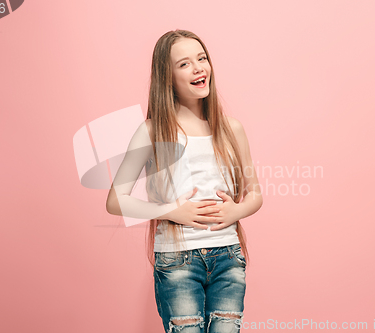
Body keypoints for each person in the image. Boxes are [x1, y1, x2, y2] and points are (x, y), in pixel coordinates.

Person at [106, 29, 263, 333]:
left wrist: (236, 211)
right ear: (168, 78)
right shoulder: (152, 131)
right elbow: (115, 201)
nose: (198, 68)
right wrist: (170, 211)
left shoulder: (232, 129)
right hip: (177, 261)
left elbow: (254, 194)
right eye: (184, 64)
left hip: (228, 257)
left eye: (202, 58)